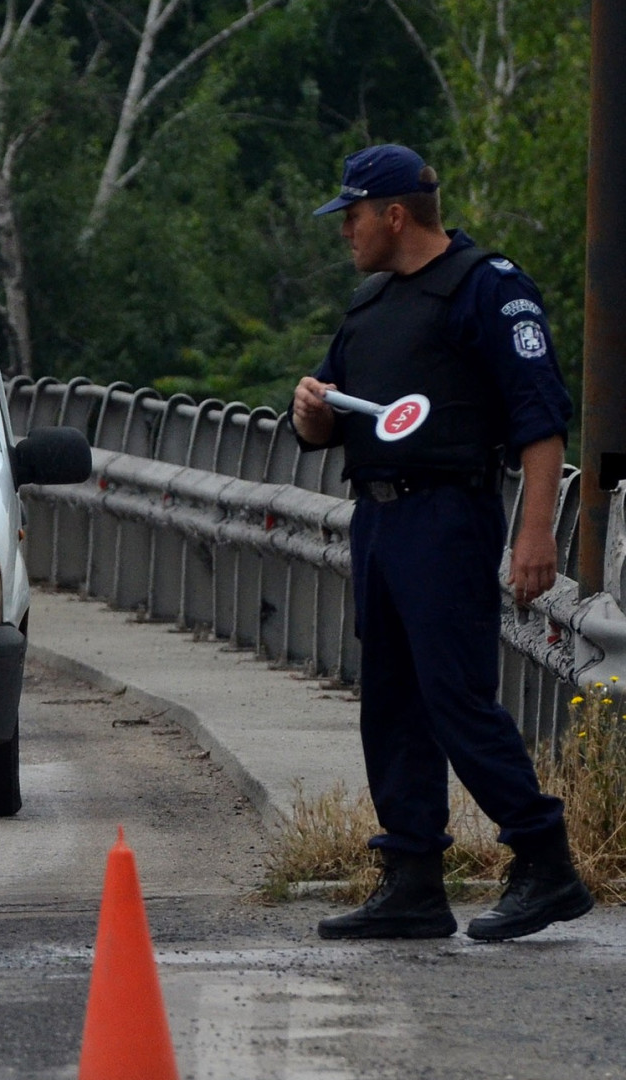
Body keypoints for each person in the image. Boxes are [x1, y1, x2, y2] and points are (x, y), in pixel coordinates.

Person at [292, 144, 590, 942]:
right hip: (381, 519)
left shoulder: (486, 290)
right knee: (392, 703)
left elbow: (540, 420)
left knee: (455, 696)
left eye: (352, 215)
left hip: (448, 517)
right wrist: (310, 409)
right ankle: (414, 878)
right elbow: (324, 419)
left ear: (395, 214)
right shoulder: (372, 302)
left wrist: (535, 536)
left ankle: (545, 859)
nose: (345, 230)